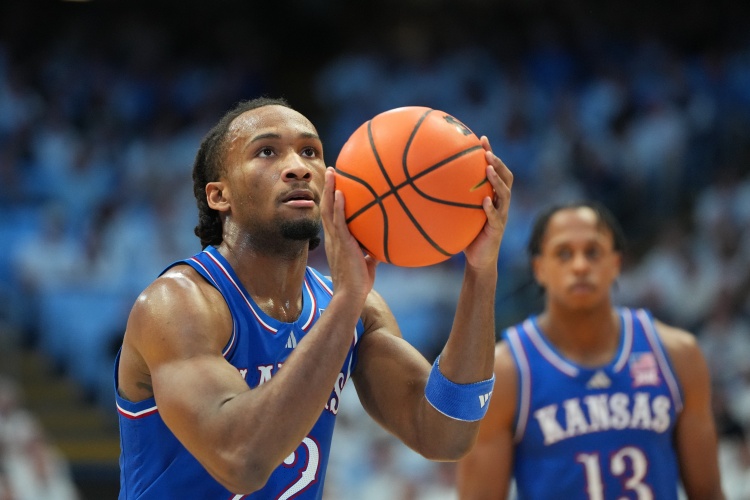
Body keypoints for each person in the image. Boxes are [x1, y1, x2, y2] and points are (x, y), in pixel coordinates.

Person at [114, 96, 513, 499]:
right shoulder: (177, 305)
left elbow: (444, 434)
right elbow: (241, 460)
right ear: (219, 196)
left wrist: (480, 273)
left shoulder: (356, 308)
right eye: (266, 152)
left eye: (310, 152)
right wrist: (346, 302)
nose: (298, 167)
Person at [457, 201, 724, 499]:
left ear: (616, 263)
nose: (580, 266)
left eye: (593, 252)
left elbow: (709, 493)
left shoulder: (678, 355)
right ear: (539, 268)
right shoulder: (505, 373)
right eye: (564, 253)